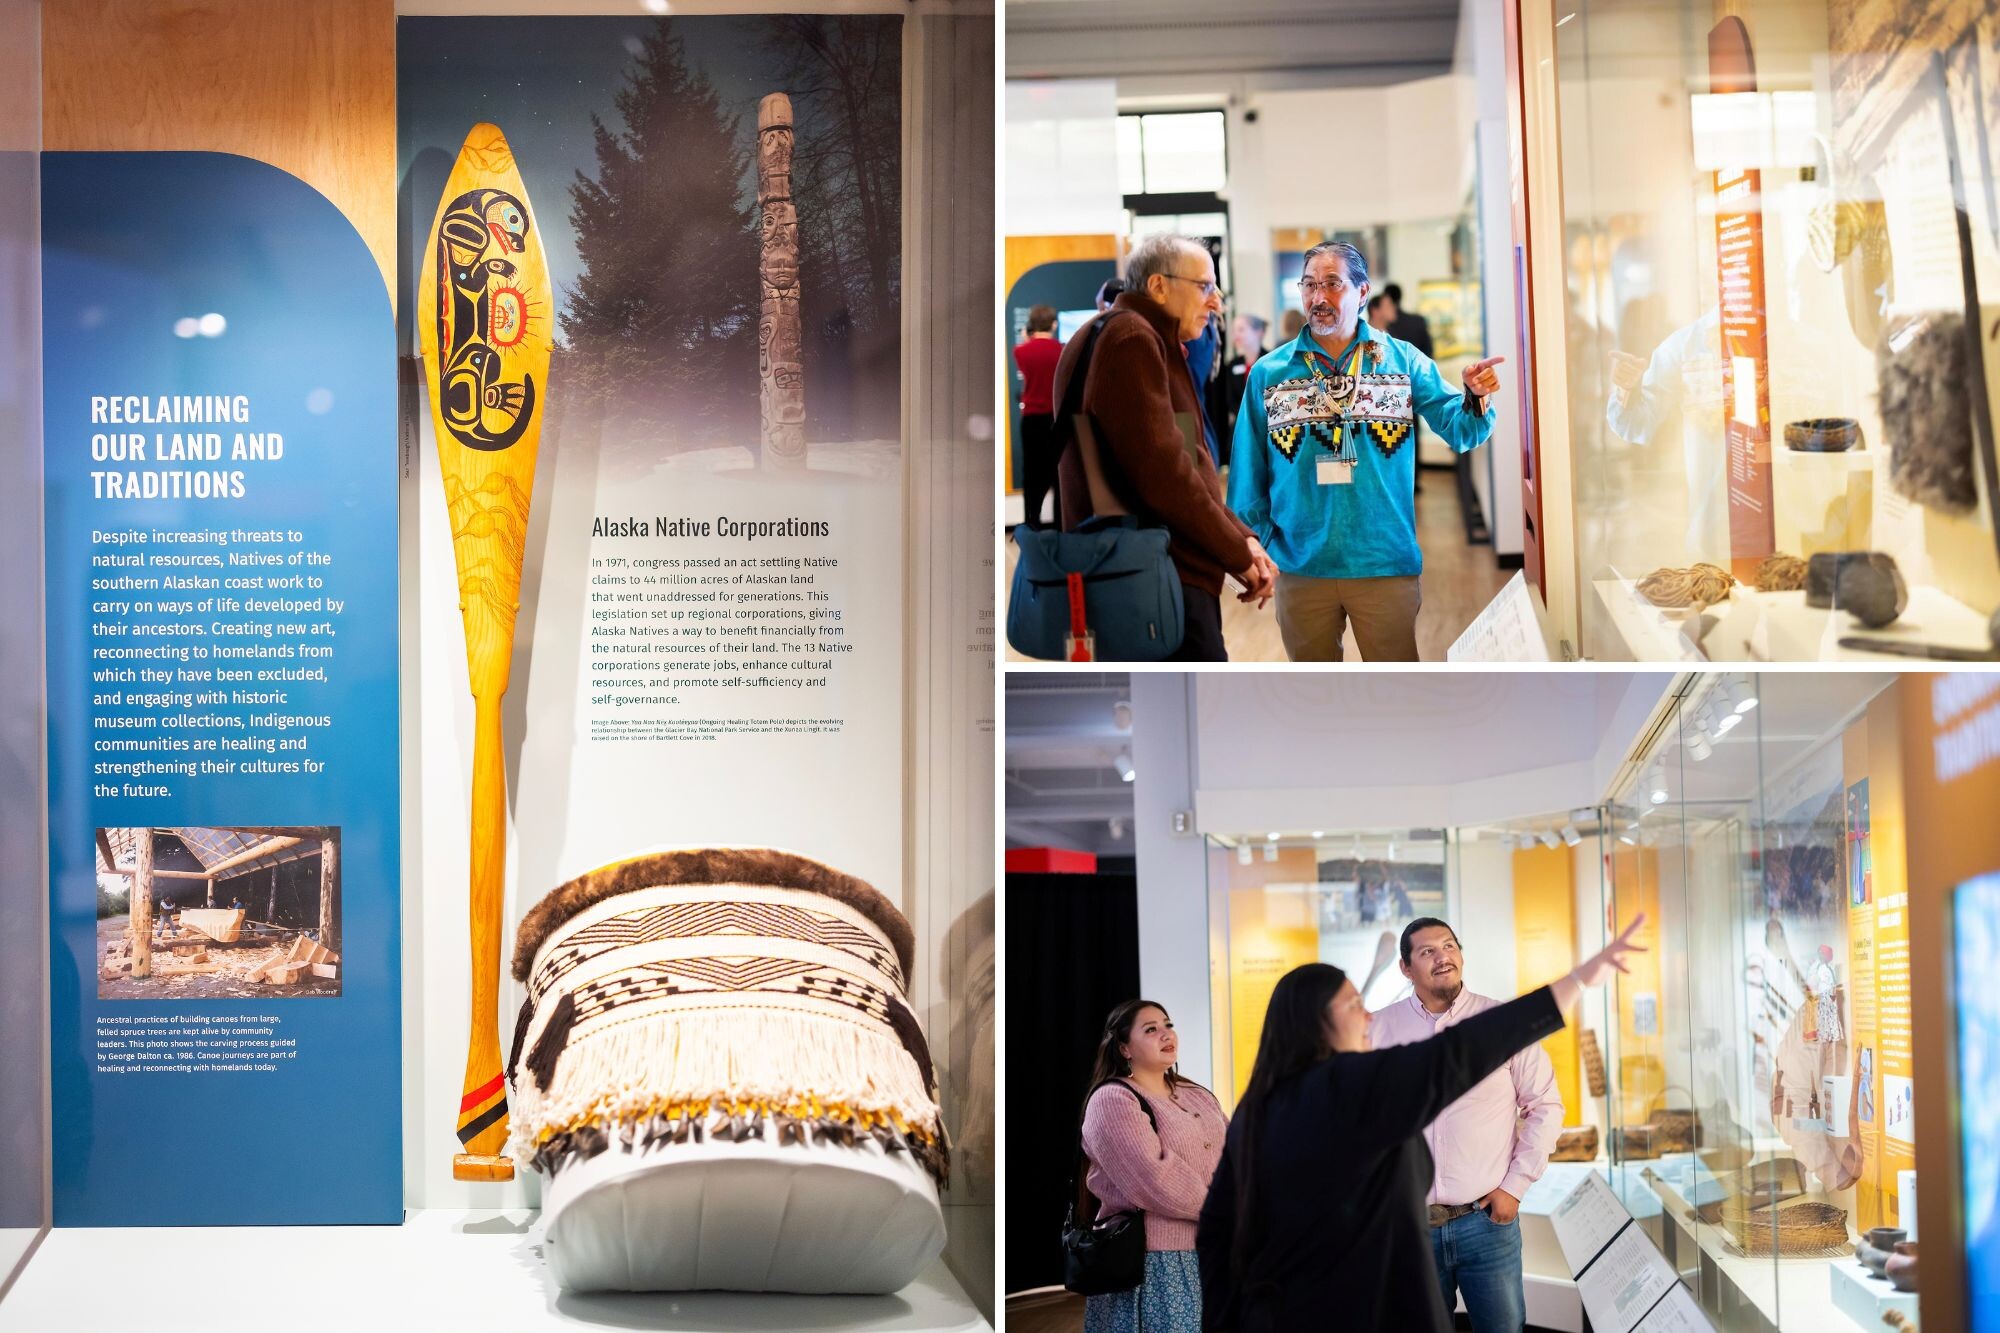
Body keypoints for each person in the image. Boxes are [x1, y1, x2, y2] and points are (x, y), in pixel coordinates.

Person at [1196, 915, 1647, 1333]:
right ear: (1317, 1023)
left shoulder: (1258, 1107)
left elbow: (1217, 1230)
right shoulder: (1350, 1086)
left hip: (1289, 1308)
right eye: (1353, 1003)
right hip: (1358, 1300)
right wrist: (1575, 982)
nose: (1367, 1014)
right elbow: (1457, 1055)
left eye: (1449, 946)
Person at [1227, 241, 1504, 662]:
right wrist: (1263, 547)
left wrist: (1474, 396)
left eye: (1332, 284)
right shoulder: (1269, 373)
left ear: (1362, 292)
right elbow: (1247, 478)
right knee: (1316, 700)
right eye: (1309, 285)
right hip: (1302, 567)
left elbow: (1460, 429)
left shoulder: (1402, 361)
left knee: (1395, 694)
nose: (1318, 297)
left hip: (1384, 563)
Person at [1053, 234, 1277, 661]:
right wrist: (1237, 553)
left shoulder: (1111, 333)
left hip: (1140, 573)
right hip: (1156, 578)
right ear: (1158, 286)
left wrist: (1242, 538)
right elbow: (1166, 478)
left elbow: (1176, 466)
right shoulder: (1131, 339)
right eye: (1204, 287)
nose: (1217, 303)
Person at [1370, 918, 1563, 1333]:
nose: (1443, 957)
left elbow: (1545, 1105)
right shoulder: (1377, 1030)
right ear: (1405, 968)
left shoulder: (1503, 1024)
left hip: (1486, 1223)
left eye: (1449, 946)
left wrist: (1514, 1187)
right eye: (1427, 951)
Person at [1080, 1000, 1227, 1333]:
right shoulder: (1113, 1100)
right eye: (1151, 1029)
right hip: (1156, 1260)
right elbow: (1153, 1179)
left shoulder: (1196, 1094)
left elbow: (1235, 1155)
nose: (1166, 1034)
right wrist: (1223, 1208)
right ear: (1124, 1048)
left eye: (1168, 1024)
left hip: (1213, 1248)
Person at [1013, 304, 1063, 528]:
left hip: (1032, 420)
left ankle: (1031, 523)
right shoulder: (1062, 350)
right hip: (1056, 419)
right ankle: (1061, 525)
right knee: (1058, 474)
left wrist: (1026, 338)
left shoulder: (1021, 351)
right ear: (1054, 324)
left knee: (1031, 474)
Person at [1218, 314, 1267, 443]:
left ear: (1258, 332)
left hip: (1267, 428)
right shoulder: (1233, 365)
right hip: (1240, 429)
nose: (1236, 335)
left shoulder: (1271, 362)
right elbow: (1230, 400)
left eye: (1241, 329)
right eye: (1234, 331)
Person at [1382, 283, 1434, 359]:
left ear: (1386, 298)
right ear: (1401, 297)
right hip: (1418, 367)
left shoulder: (1385, 324)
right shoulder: (1418, 320)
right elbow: (1429, 351)